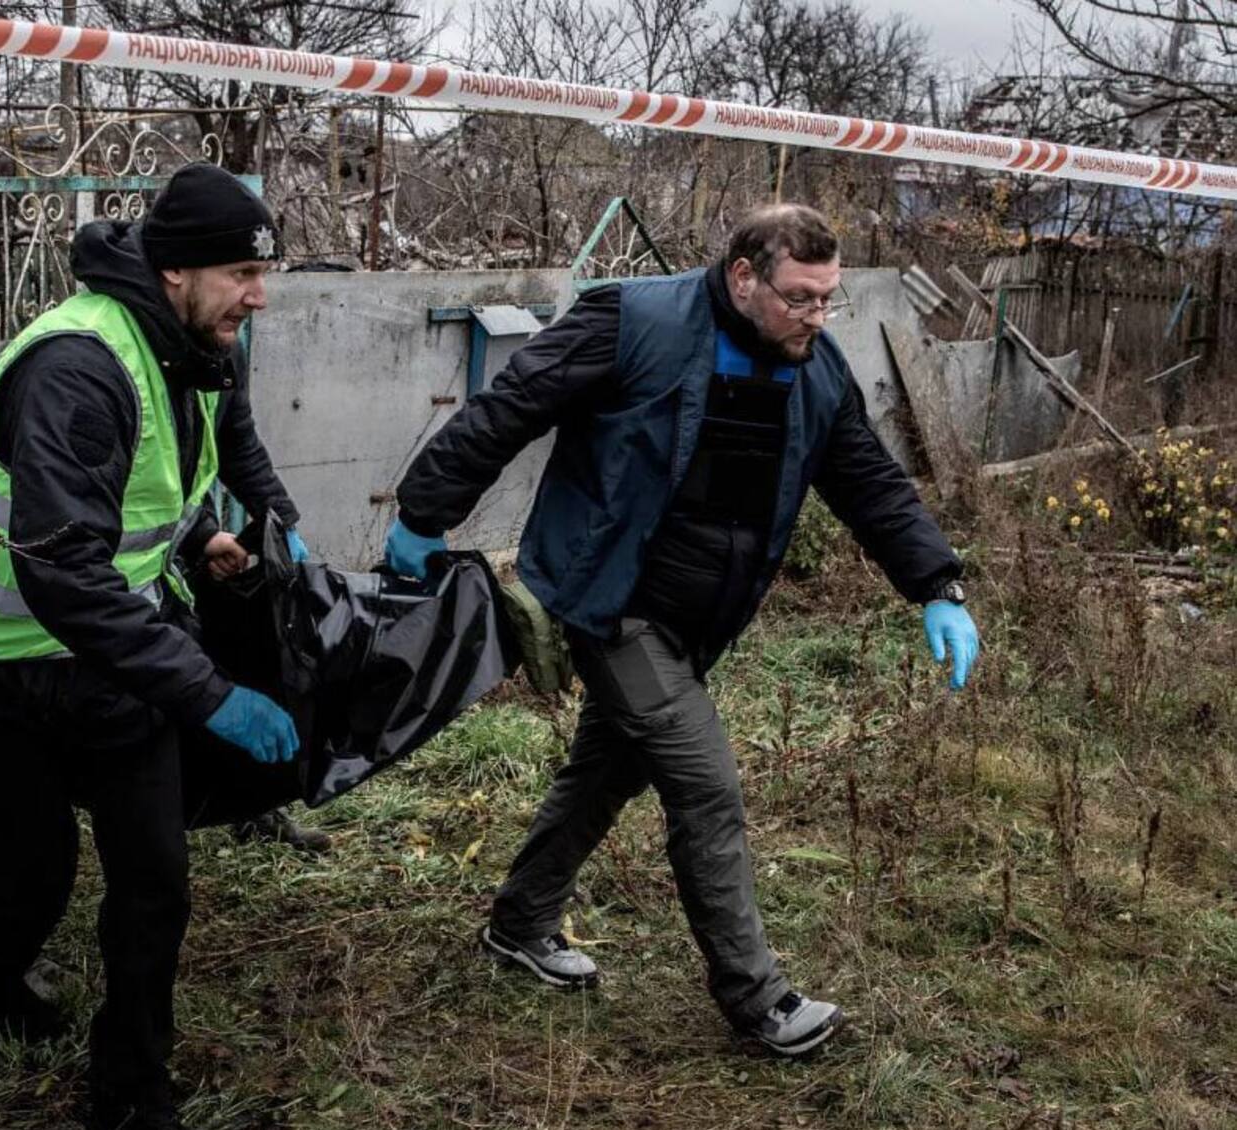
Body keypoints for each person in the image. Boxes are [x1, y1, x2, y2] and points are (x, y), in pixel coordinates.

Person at [386, 204, 980, 1058]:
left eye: (830, 300)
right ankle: (759, 1000)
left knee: (608, 770)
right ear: (744, 277)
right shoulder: (633, 321)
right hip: (611, 598)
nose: (818, 317)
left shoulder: (813, 367)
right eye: (801, 299)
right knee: (705, 787)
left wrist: (936, 583)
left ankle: (519, 923)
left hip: (702, 618)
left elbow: (868, 480)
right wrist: (423, 512)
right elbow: (511, 406)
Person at [0, 163, 309, 1130]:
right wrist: (211, 694)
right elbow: (60, 567)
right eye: (238, 274)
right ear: (174, 271)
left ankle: (131, 1087)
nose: (257, 297)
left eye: (265, 274)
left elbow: (192, 459)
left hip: (113, 662)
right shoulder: (79, 367)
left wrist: (235, 525)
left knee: (154, 879)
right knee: (31, 876)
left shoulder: (206, 343)